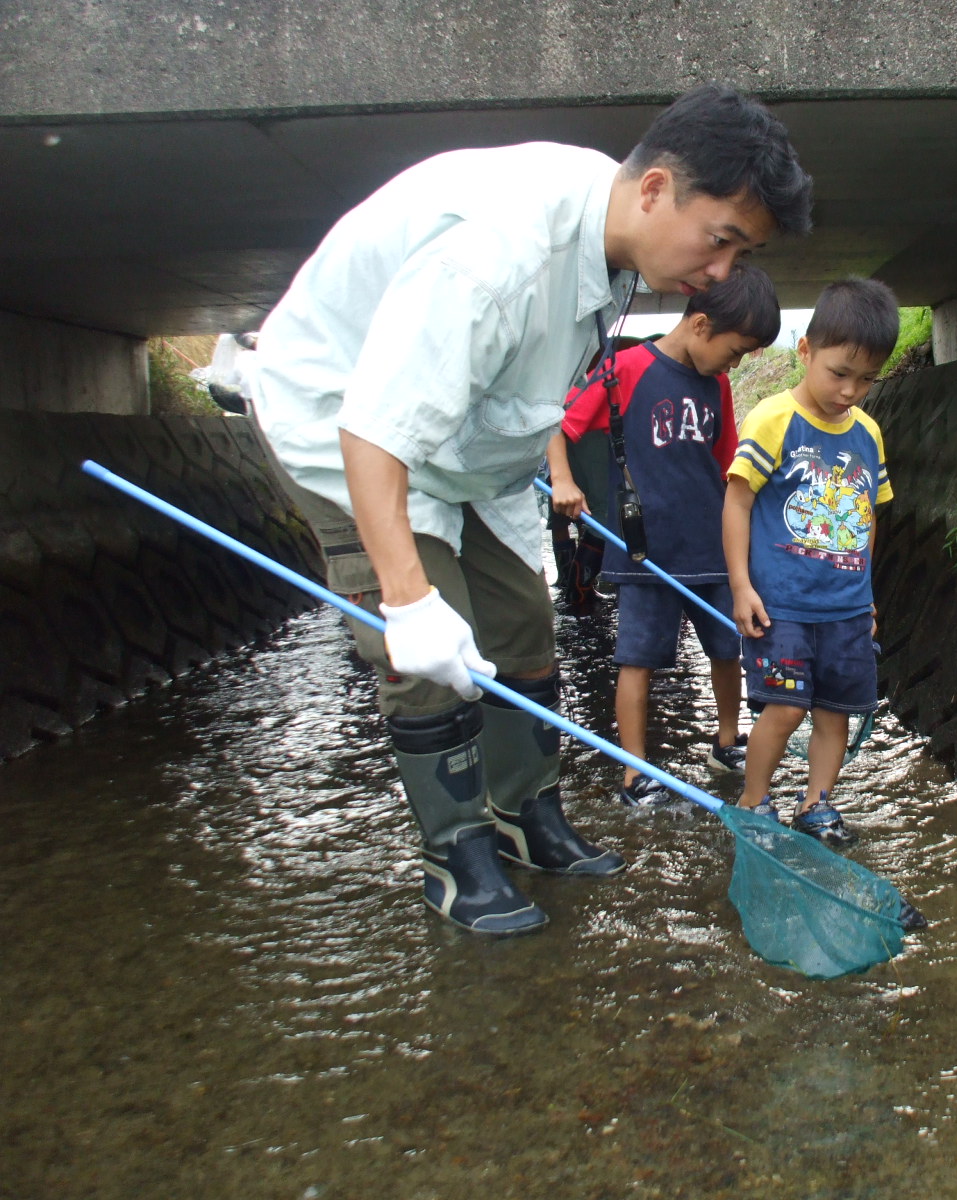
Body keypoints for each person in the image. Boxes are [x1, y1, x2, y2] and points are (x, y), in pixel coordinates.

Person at [247, 85, 812, 935]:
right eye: (722, 241)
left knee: (519, 632)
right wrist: (405, 601)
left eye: (742, 253)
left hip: (472, 446)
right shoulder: (498, 255)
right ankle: (457, 852)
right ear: (657, 189)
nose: (722, 272)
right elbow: (374, 428)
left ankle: (525, 815)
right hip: (349, 426)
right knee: (429, 658)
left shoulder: (610, 222)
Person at [547, 266, 780, 805]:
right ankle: (634, 772)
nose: (736, 363)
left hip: (712, 548)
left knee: (728, 648)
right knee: (637, 660)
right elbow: (560, 428)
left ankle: (728, 741)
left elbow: (729, 467)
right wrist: (563, 479)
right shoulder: (624, 369)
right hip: (643, 552)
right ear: (701, 325)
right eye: (736, 350)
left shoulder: (716, 384)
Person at [722, 278, 899, 845]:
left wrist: (867, 597)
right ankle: (753, 800)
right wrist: (741, 587)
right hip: (782, 607)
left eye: (867, 379)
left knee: (835, 711)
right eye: (839, 373)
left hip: (846, 608)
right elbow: (738, 501)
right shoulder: (773, 420)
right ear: (805, 350)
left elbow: (868, 520)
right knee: (784, 709)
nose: (851, 390)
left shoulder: (869, 434)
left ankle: (816, 802)